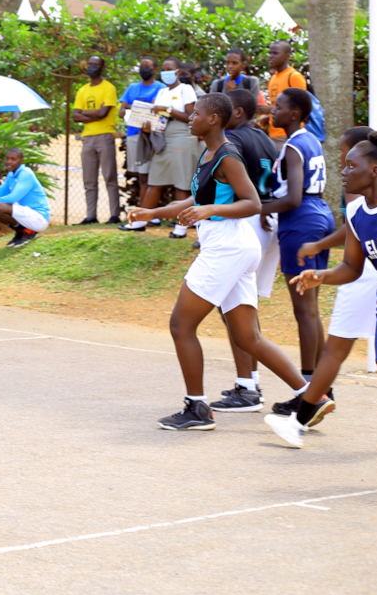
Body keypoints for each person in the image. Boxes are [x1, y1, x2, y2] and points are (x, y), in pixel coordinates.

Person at [127, 92, 307, 431]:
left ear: (213, 119)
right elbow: (197, 199)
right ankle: (311, 395)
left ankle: (197, 409)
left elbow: (252, 202)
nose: (190, 117)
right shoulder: (208, 153)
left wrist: (211, 210)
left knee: (181, 325)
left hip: (227, 246)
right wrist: (153, 212)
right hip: (234, 246)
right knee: (247, 338)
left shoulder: (227, 155)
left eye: (196, 113)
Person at [282, 133, 377, 482]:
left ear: (376, 169)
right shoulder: (356, 212)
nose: (344, 171)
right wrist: (321, 275)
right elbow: (351, 268)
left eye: (352, 165)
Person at [264, 127, 377, 445]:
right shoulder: (372, 184)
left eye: (344, 153)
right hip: (360, 265)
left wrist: (316, 247)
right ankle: (311, 400)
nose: (340, 160)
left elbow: (354, 226)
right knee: (334, 341)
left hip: (368, 274)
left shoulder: (362, 185)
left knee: (320, 329)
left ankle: (308, 401)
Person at [207, 88, 283, 412]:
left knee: (234, 310)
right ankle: (248, 383)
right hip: (268, 221)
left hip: (248, 223)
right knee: (243, 307)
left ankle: (247, 386)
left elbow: (237, 188)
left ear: (236, 113)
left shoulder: (233, 140)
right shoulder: (266, 139)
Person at [264, 86, 337, 387]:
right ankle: (321, 386)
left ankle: (309, 390)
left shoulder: (293, 146)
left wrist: (260, 208)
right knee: (311, 309)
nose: (273, 110)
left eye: (278, 106)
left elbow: (293, 198)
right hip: (320, 212)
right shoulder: (311, 140)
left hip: (301, 218)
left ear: (294, 113)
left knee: (303, 309)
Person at [137, 58, 199, 240]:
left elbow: (191, 117)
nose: (166, 73)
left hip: (182, 136)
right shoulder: (162, 91)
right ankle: (140, 221)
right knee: (155, 179)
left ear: (178, 72)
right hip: (163, 137)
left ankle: (181, 226)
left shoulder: (186, 90)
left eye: (169, 69)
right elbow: (158, 116)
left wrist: (169, 110)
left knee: (181, 182)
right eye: (163, 69)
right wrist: (146, 124)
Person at [117, 57, 164, 231]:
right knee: (141, 175)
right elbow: (122, 111)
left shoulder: (161, 88)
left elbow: (161, 110)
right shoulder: (132, 88)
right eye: (142, 66)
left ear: (155, 69)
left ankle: (145, 214)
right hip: (134, 136)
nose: (144, 69)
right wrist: (141, 107)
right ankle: (148, 214)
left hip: (152, 137)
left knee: (151, 176)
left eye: (148, 66)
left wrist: (134, 107)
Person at [72, 55, 120, 225]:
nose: (92, 67)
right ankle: (91, 216)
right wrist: (92, 114)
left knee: (110, 177)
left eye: (96, 64)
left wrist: (84, 113)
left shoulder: (109, 88)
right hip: (87, 139)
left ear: (102, 68)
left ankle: (115, 215)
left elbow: (103, 113)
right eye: (90, 64)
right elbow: (75, 116)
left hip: (105, 136)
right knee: (89, 179)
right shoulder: (82, 90)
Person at [0, 148, 51, 247]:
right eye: (7, 159)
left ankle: (28, 232)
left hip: (39, 218)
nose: (9, 162)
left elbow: (13, 198)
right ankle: (22, 232)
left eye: (13, 159)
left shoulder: (25, 173)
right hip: (27, 214)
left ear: (21, 161)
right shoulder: (11, 175)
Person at [261, 39, 307, 142]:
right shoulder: (273, 78)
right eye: (270, 53)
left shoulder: (294, 77)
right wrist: (265, 118)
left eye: (275, 53)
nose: (271, 56)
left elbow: (300, 109)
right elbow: (276, 107)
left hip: (288, 135)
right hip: (273, 135)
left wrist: (269, 110)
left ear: (287, 56)